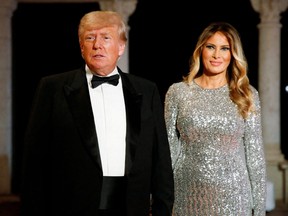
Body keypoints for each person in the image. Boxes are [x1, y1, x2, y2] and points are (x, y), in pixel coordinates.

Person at [20, 10, 174, 216]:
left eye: (106, 38)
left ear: (121, 46)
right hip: (71, 207)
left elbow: (160, 157)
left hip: (131, 207)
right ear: (81, 46)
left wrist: (162, 209)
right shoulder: (52, 88)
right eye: (90, 38)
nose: (97, 45)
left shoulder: (147, 90)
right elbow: (34, 161)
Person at [164, 22, 266, 216]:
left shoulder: (246, 94)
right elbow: (169, 149)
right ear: (201, 50)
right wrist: (161, 197)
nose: (216, 55)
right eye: (211, 47)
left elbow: (255, 157)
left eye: (225, 48)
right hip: (186, 192)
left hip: (235, 196)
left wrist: (259, 209)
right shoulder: (178, 92)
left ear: (233, 54)